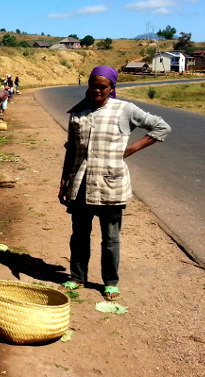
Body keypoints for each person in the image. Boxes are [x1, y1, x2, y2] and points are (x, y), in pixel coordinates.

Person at [57, 65, 171, 301]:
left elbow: (161, 126)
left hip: (111, 185)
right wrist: (63, 180)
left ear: (112, 88)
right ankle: (77, 277)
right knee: (79, 235)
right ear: (88, 85)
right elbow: (71, 150)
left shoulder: (124, 110)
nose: (97, 90)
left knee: (110, 238)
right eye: (93, 85)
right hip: (79, 183)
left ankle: (110, 282)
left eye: (103, 86)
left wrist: (131, 149)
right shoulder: (78, 112)